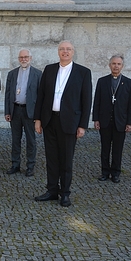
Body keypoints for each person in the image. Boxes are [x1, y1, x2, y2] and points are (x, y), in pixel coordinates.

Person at [34, 40, 92, 207]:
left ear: (73, 52)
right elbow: (41, 95)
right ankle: (52, 190)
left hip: (70, 122)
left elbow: (86, 101)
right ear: (58, 52)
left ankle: (65, 193)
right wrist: (38, 119)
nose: (65, 52)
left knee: (66, 159)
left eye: (68, 49)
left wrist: (82, 125)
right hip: (49, 120)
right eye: (62, 49)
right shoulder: (50, 69)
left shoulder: (83, 72)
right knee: (51, 158)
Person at [93, 54, 131, 183]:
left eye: (118, 64)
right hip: (105, 120)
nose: (116, 66)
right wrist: (96, 119)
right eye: (113, 63)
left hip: (120, 122)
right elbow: (97, 102)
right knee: (105, 148)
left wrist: (130, 122)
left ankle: (116, 172)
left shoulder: (129, 83)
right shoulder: (102, 81)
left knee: (117, 149)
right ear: (109, 65)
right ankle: (105, 172)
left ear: (122, 66)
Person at [4, 49, 42, 176]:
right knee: (15, 139)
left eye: (26, 57)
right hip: (15, 110)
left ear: (30, 58)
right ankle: (15, 164)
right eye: (21, 57)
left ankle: (30, 166)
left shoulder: (37, 74)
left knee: (31, 140)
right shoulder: (12, 73)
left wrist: (38, 116)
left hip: (30, 111)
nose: (23, 59)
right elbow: (8, 93)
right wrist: (7, 111)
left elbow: (41, 96)